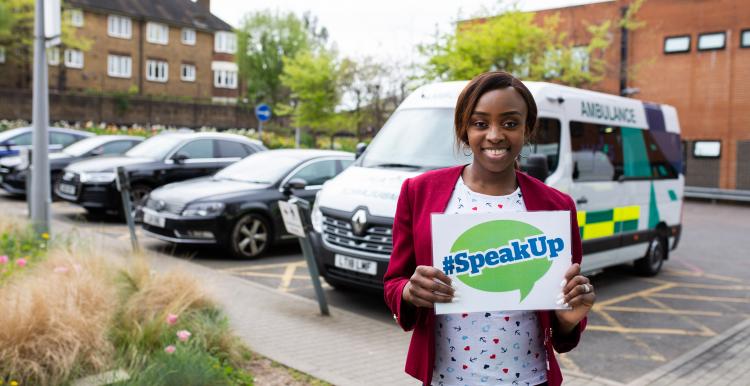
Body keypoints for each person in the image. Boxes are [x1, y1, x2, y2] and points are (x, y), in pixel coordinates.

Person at [383, 71, 595, 386]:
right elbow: (393, 283)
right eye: (480, 123)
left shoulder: (556, 206)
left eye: (510, 123)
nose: (495, 135)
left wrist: (567, 319)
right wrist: (410, 293)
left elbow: (562, 313)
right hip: (446, 377)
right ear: (463, 129)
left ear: (527, 129)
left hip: (529, 378)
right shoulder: (419, 192)